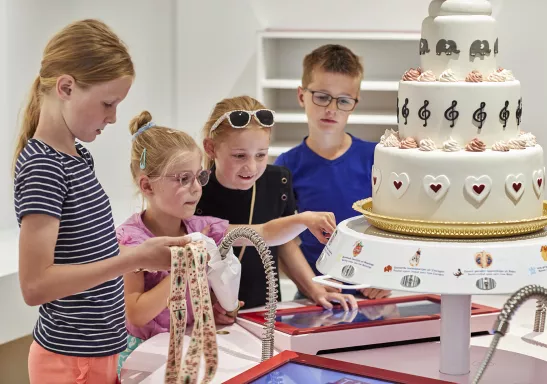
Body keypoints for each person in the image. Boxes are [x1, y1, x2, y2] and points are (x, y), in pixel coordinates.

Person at [13, 20, 191, 384]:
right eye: (108, 103)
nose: (112, 118)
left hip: (99, 352)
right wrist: (135, 258)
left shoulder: (78, 157)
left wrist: (139, 253)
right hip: (69, 362)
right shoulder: (44, 167)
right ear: (66, 87)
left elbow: (88, 255)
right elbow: (35, 286)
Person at [115, 110, 345, 374]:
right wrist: (184, 270)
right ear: (147, 186)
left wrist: (303, 220)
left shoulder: (202, 228)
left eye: (199, 177)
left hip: (189, 347)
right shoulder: (132, 239)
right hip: (146, 358)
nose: (195, 188)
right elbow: (135, 314)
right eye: (183, 179)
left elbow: (264, 233)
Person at [197, 95, 358, 310]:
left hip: (265, 309)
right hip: (206, 313)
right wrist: (207, 307)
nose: (252, 167)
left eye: (261, 155)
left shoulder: (277, 181)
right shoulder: (194, 192)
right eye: (239, 156)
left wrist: (315, 289)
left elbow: (285, 244)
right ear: (210, 148)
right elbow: (265, 233)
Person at [274, 44, 391, 300]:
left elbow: (397, 226)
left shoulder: (378, 158)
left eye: (343, 100)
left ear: (355, 103)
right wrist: (312, 287)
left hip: (373, 291)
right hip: (316, 293)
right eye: (322, 96)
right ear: (301, 95)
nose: (331, 108)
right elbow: (280, 239)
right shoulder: (285, 166)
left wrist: (385, 274)